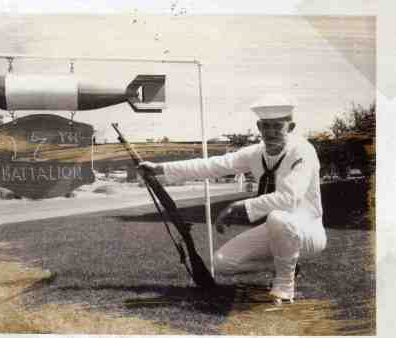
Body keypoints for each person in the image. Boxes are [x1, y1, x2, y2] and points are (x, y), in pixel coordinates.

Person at [139, 95, 327, 303]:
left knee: (278, 217)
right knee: (222, 263)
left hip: (307, 230)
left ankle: (284, 285)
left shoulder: (303, 151)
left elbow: (288, 198)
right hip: (276, 229)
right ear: (258, 126)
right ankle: (289, 263)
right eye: (265, 126)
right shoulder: (256, 153)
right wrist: (161, 169)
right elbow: (213, 165)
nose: (271, 132)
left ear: (291, 127)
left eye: (277, 126)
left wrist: (240, 206)